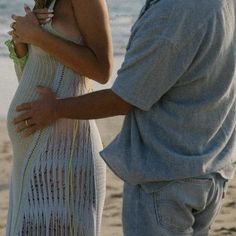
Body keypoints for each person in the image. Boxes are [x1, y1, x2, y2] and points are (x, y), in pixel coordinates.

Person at [13, 0, 236, 235]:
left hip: (167, 175)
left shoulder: (174, 11)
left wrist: (56, 109)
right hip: (207, 167)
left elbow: (123, 98)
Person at [6, 0, 112, 235]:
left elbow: (102, 70)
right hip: (30, 158)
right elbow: (32, 77)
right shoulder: (46, 1)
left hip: (67, 155)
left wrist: (37, 36)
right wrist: (22, 45)